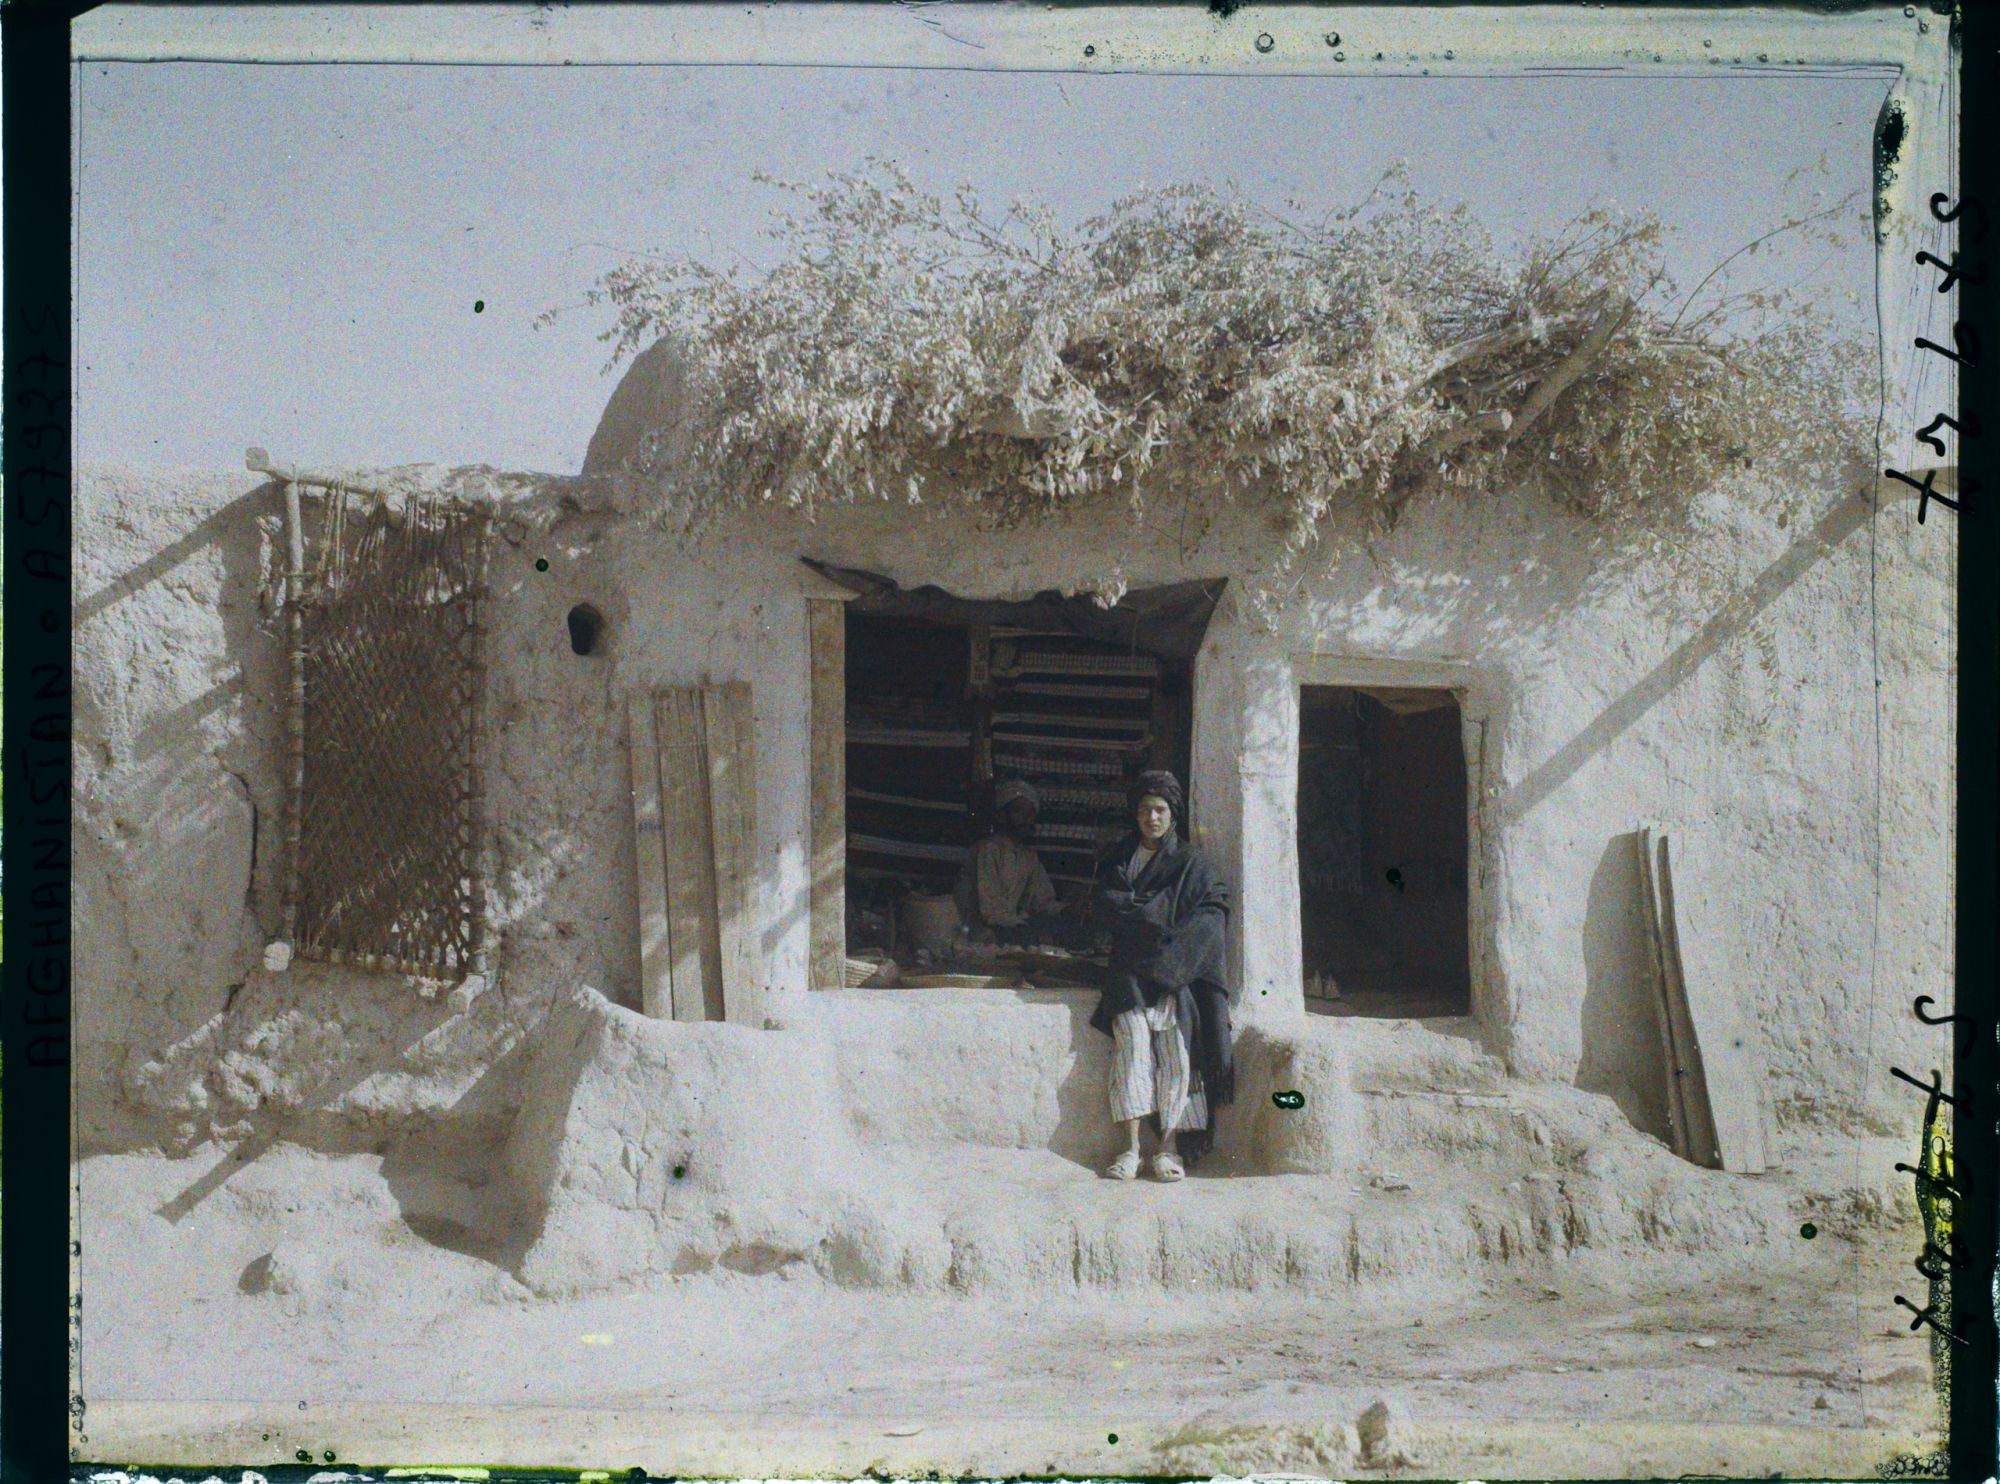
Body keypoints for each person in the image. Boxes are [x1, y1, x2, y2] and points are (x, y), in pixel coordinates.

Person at [1088, 769, 1234, 1183]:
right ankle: (1131, 1149)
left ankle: (1168, 1149)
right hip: (1129, 974)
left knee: (1175, 1054)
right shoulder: (1120, 859)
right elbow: (1105, 904)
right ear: (1135, 816)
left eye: (1159, 810)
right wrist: (1153, 916)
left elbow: (1210, 916)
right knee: (1131, 1049)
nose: (1152, 818)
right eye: (1144, 810)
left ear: (1173, 815)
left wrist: (1165, 947)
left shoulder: (1192, 863)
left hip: (1172, 974)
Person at [954, 778, 1059, 945]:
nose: (1027, 818)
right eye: (1019, 812)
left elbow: (1042, 902)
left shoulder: (1029, 856)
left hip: (1010, 931)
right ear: (1002, 816)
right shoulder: (988, 849)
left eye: (1031, 813)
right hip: (978, 934)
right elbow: (990, 912)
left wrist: (1070, 908)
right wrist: (1024, 929)